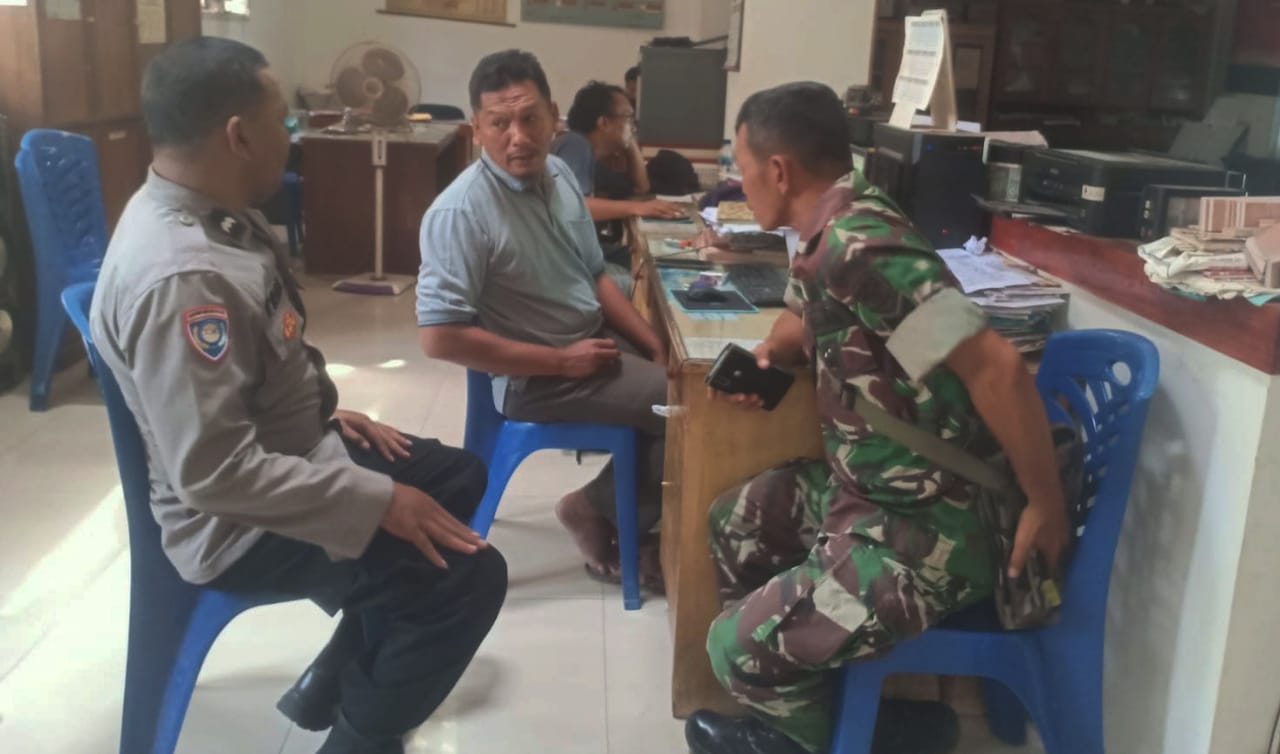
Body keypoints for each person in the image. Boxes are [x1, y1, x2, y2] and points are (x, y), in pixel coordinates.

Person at [91, 37, 507, 754]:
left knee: (458, 475)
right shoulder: (185, 279)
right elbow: (215, 475)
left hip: (284, 455)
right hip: (235, 524)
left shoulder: (205, 210)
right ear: (238, 136)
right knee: (467, 580)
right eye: (283, 123)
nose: (293, 138)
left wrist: (319, 411)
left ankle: (337, 677)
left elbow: (249, 364)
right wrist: (377, 500)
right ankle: (358, 739)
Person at [684, 82, 1071, 754]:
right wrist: (773, 353)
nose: (739, 186)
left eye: (742, 170)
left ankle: (813, 734)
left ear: (779, 170)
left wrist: (1045, 501)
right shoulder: (826, 230)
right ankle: (837, 718)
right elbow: (805, 315)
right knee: (737, 523)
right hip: (870, 494)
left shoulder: (861, 247)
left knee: (732, 649)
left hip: (931, 529)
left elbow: (996, 369)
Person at [416, 50, 668, 591]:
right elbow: (439, 338)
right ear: (476, 129)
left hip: (591, 344)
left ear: (554, 116)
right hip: (540, 378)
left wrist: (651, 342)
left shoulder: (558, 173)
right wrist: (561, 361)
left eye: (530, 118)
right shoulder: (460, 213)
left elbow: (595, 274)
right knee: (686, 408)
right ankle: (596, 512)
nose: (518, 137)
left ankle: (622, 513)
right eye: (499, 123)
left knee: (693, 379)